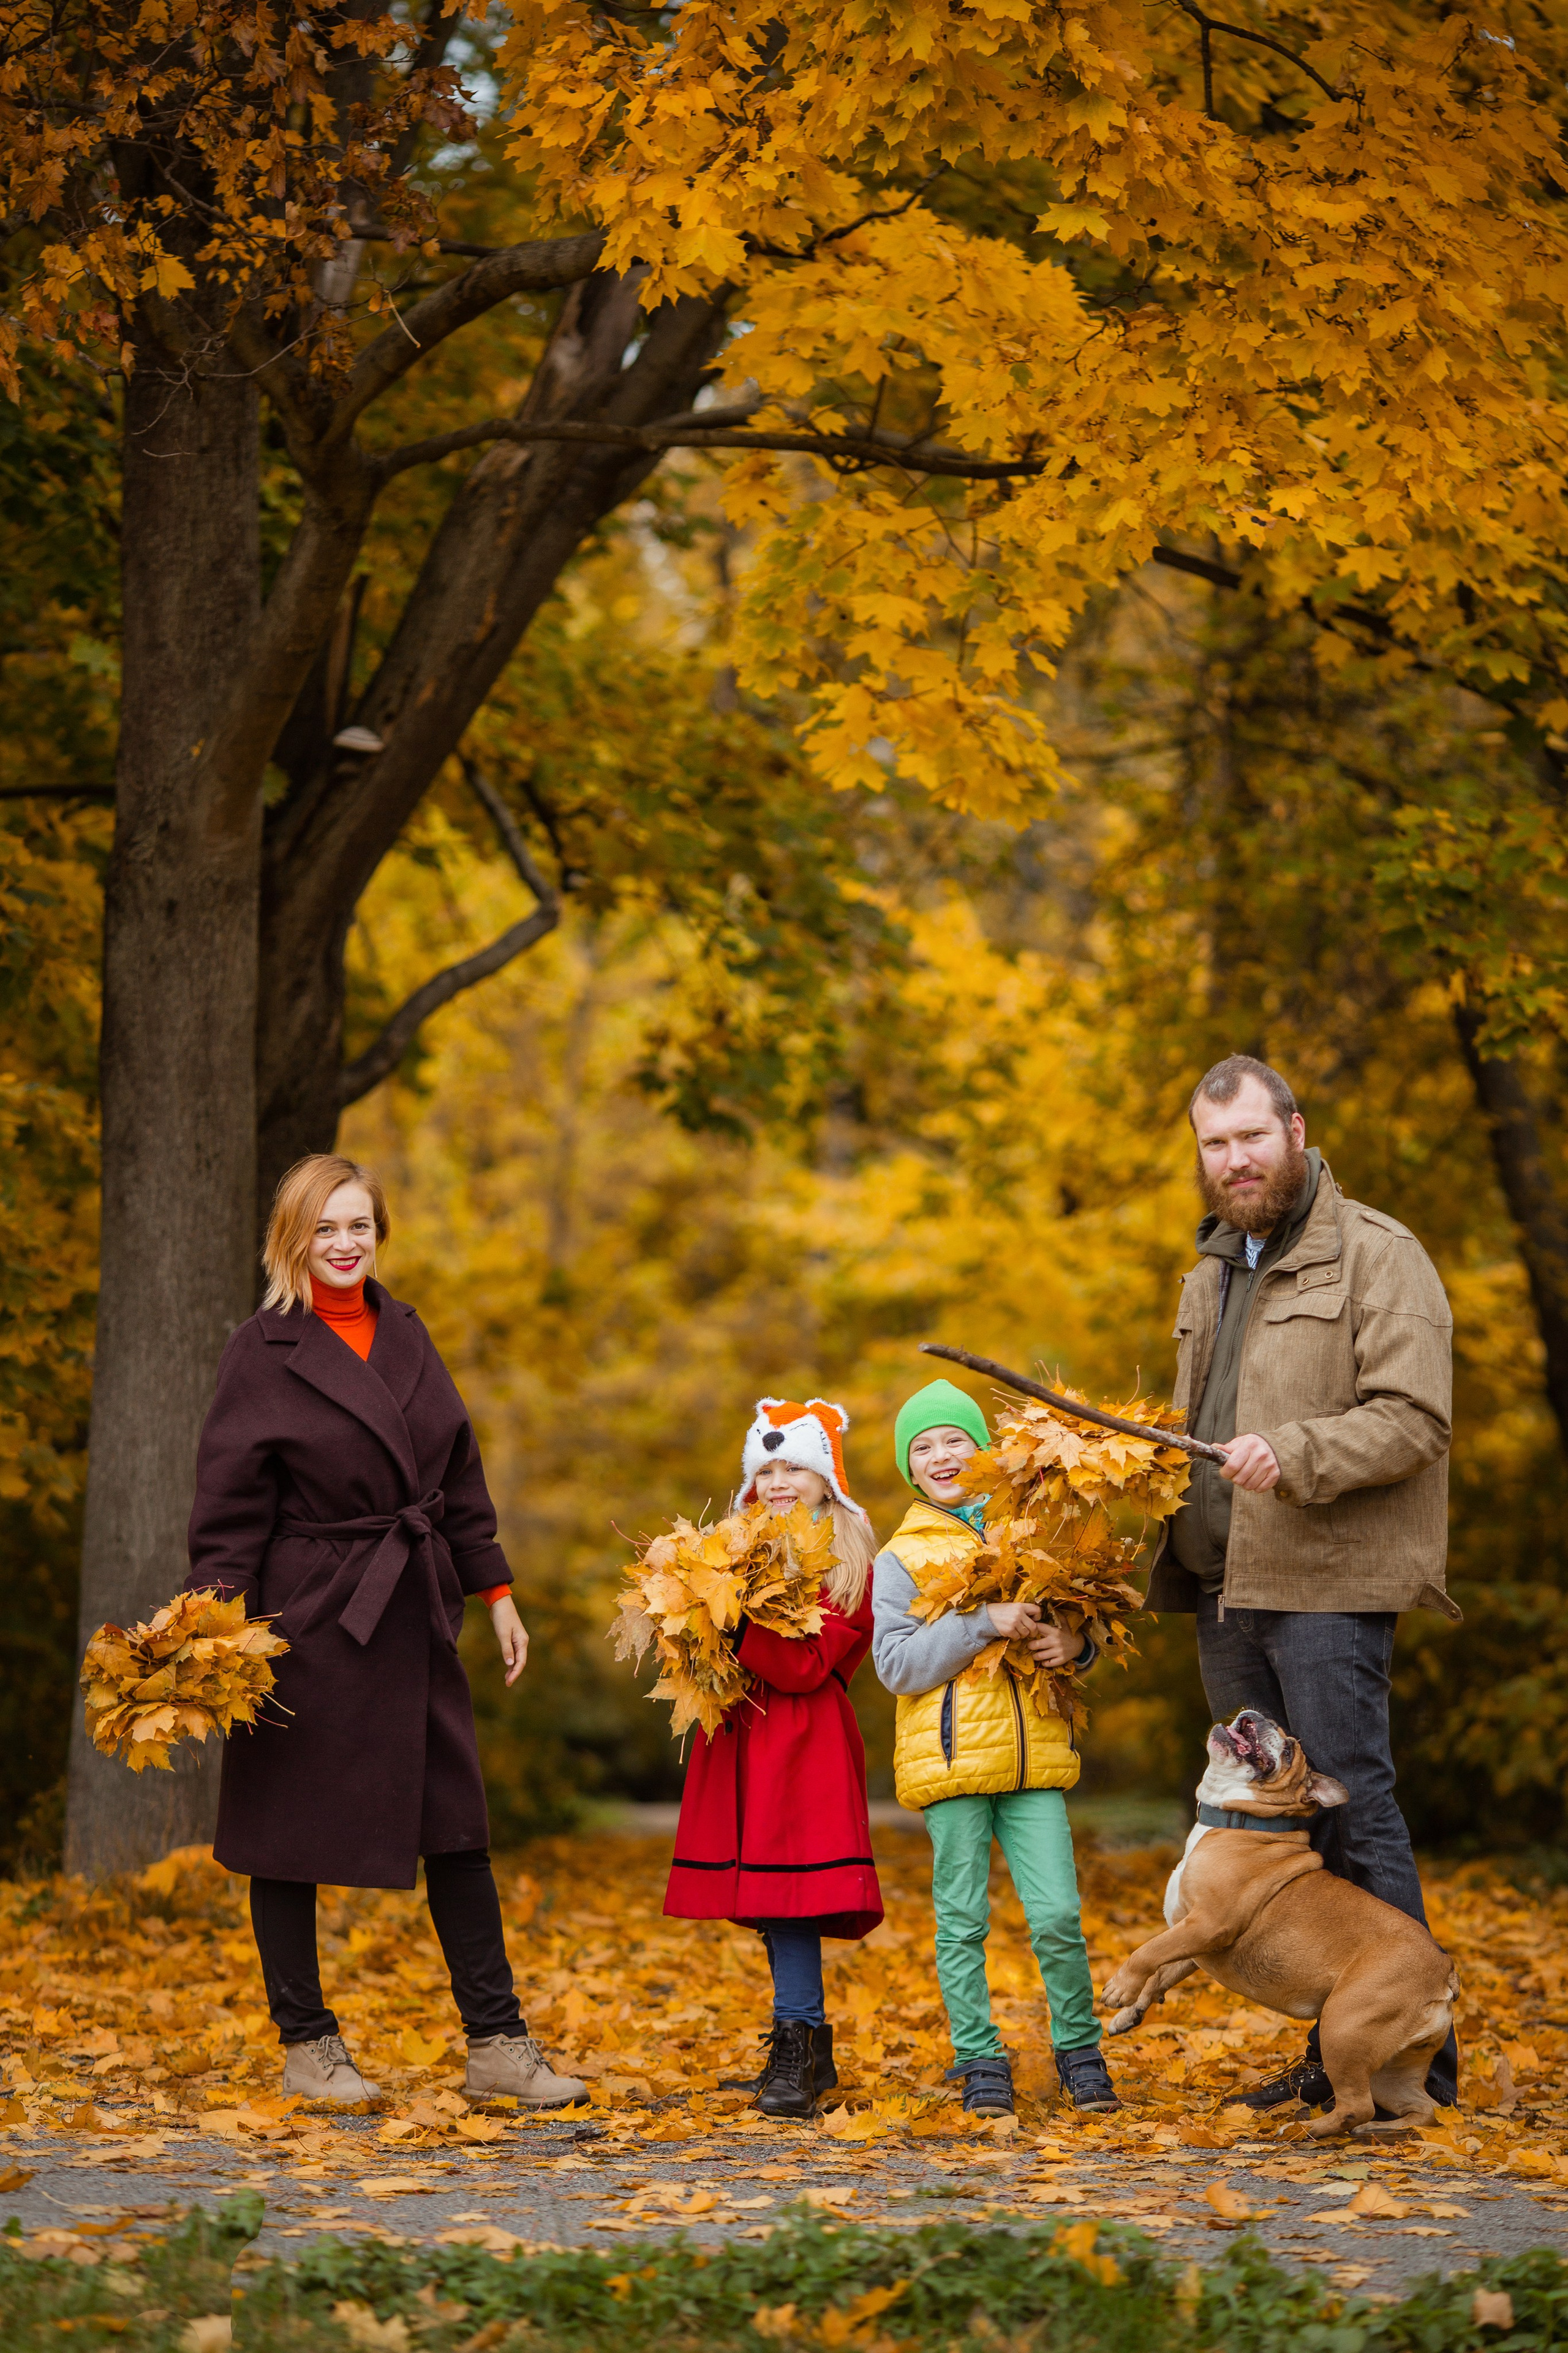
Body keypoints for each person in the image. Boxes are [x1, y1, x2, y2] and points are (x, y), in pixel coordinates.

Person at [187, 1152, 587, 2110]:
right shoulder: (261, 1350)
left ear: (380, 1235)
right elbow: (229, 1513)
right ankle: (308, 2044)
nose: (344, 1243)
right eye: (325, 1227)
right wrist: (212, 1633)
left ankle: (496, 2042)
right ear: (294, 1238)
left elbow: (458, 1475)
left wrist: (495, 1593)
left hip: (411, 1609)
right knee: (282, 1834)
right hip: (304, 1619)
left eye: (359, 1225)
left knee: (458, 1827)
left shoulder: (407, 1332)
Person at [1148, 1054, 1458, 2112]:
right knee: (1281, 1831)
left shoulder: (1379, 1255)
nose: (1233, 1160)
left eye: (1250, 1137)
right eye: (1214, 1144)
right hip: (1226, 1587)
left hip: (1328, 1582)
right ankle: (1336, 2051)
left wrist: (1295, 1452)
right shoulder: (1207, 1275)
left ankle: (1424, 2060)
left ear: (1295, 1129)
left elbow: (1415, 1419)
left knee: (1355, 1810)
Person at [871, 1380, 1117, 2117]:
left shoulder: (1033, 1534)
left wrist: (1072, 1646)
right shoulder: (902, 1556)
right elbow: (896, 1664)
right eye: (923, 1447)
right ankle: (978, 2057)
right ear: (910, 1470)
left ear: (983, 1450)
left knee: (1056, 1916)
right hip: (950, 1768)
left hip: (1034, 1760)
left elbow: (1085, 1634)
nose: (942, 1454)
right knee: (962, 1920)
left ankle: (1079, 2049)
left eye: (955, 1439)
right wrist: (983, 1621)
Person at [665, 1398, 882, 2119]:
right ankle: (807, 2048)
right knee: (767, 1899)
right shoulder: (728, 1551)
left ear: (828, 1481)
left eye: (796, 1466)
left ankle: (797, 2040)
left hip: (802, 1744)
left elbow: (805, 1666)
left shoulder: (850, 1565)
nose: (780, 1479)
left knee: (789, 1898)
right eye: (767, 1467)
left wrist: (737, 1625)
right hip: (739, 1739)